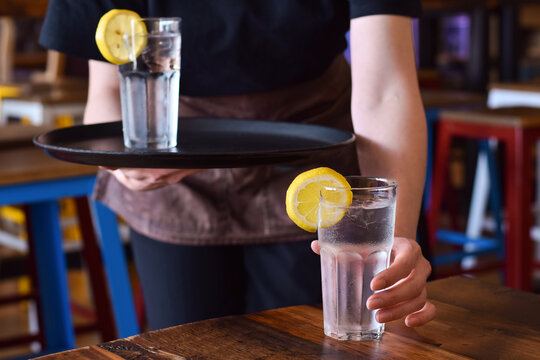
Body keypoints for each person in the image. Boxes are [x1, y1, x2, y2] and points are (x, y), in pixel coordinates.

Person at [39, 0, 436, 331]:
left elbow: (385, 89)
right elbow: (108, 87)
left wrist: (391, 239)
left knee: (316, 347)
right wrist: (134, 156)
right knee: (188, 347)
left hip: (314, 162)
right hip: (172, 157)